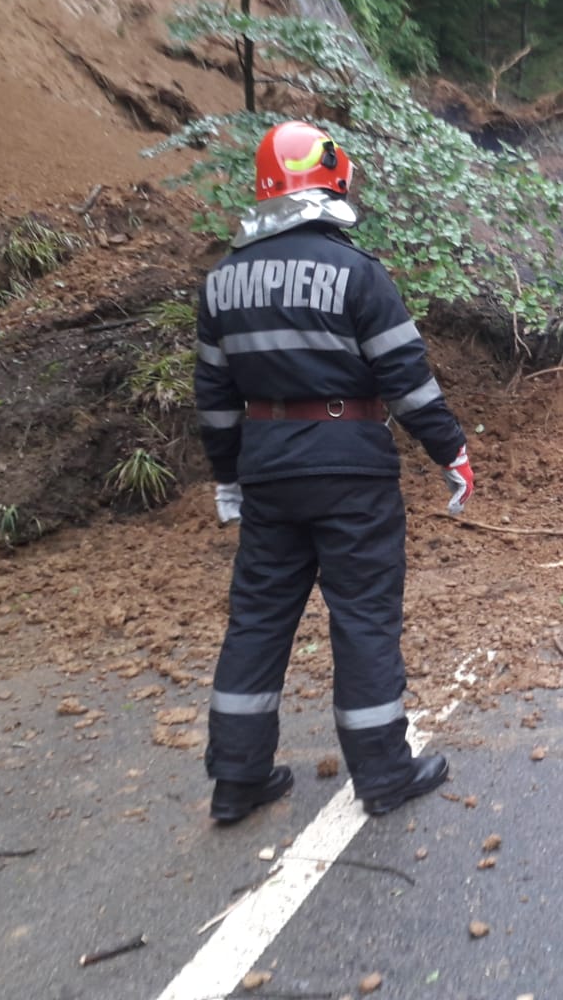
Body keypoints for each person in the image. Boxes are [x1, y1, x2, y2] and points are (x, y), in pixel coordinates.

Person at [193, 120, 475, 823]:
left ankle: (236, 780)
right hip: (351, 469)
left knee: (256, 621)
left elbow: (215, 399)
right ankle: (382, 774)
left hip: (266, 471)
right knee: (362, 619)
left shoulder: (222, 282)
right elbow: (406, 378)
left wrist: (229, 476)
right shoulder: (356, 272)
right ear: (333, 182)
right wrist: (450, 450)